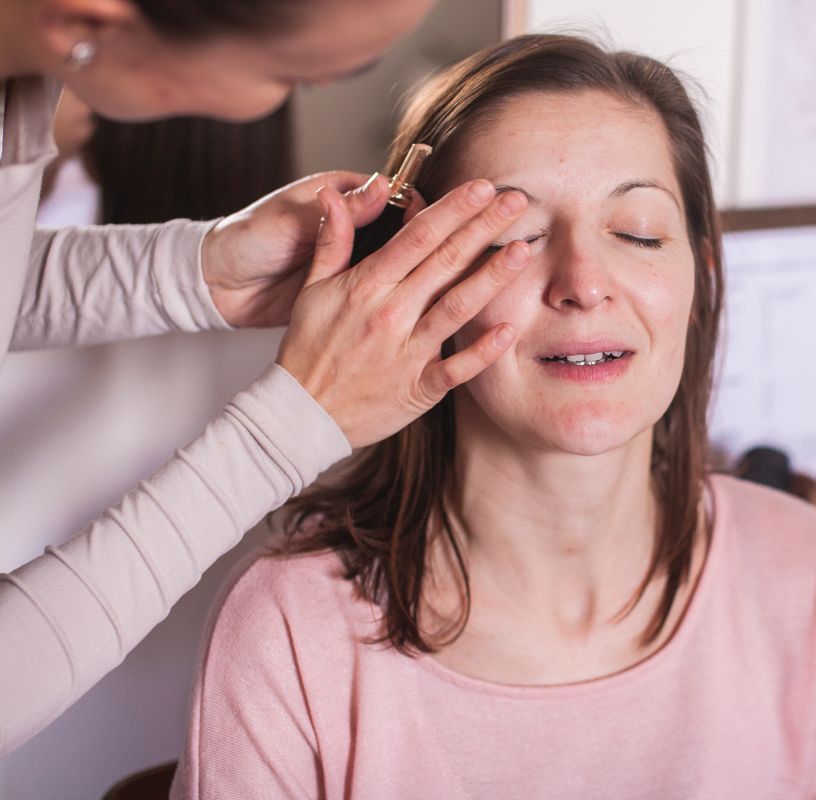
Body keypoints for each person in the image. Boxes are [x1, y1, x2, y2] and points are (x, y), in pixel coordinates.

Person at [174, 34, 816, 799]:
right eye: (514, 237)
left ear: (702, 274)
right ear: (417, 281)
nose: (583, 283)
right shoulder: (287, 630)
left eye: (637, 233)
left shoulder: (811, 576)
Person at [0, 0, 537, 757]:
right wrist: (292, 425)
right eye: (294, 76)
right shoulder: (292, 618)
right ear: (88, 24)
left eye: (639, 234)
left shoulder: (22, 79)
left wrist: (199, 270)